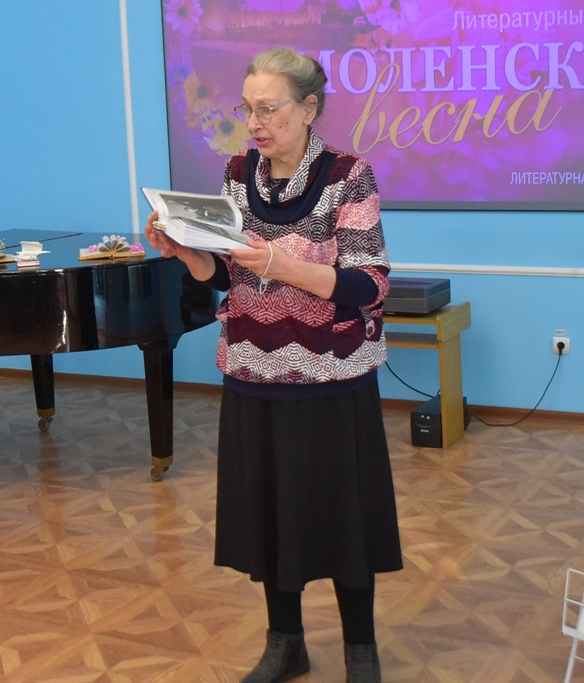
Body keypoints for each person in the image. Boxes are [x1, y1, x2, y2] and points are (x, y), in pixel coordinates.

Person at [145, 47, 401, 683]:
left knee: (343, 518)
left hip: (332, 378)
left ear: (309, 109)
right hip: (252, 372)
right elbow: (225, 274)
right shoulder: (238, 173)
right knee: (268, 515)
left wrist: (284, 266)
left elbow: (370, 285)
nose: (255, 123)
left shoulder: (349, 176)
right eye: (248, 109)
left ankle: (360, 651)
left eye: (268, 109)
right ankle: (285, 644)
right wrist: (185, 251)